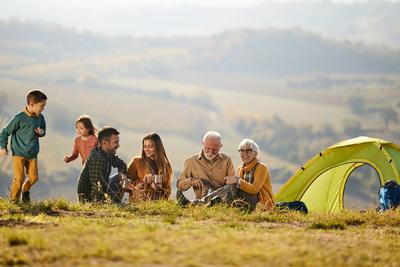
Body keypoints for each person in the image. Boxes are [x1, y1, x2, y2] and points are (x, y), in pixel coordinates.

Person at [189, 138, 275, 211]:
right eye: (242, 151)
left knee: (232, 186)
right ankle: (203, 204)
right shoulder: (240, 168)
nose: (244, 154)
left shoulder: (261, 167)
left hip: (261, 203)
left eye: (248, 151)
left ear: (255, 153)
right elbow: (241, 188)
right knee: (228, 188)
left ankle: (202, 203)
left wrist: (237, 181)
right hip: (246, 200)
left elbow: (254, 189)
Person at [0, 90, 47, 203]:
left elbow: (43, 130)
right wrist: (3, 147)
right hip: (19, 154)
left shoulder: (40, 117)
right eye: (41, 106)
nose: (43, 108)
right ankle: (14, 201)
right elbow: (4, 132)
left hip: (32, 154)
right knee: (19, 179)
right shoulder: (18, 118)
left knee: (34, 178)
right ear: (32, 104)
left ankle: (25, 191)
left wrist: (41, 132)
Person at [176, 131, 235, 203]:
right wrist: (190, 181)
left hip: (220, 200)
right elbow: (179, 185)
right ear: (202, 143)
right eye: (207, 148)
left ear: (220, 146)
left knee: (231, 187)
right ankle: (203, 202)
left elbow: (231, 185)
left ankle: (197, 203)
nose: (210, 152)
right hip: (202, 196)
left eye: (214, 150)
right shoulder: (191, 161)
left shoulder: (227, 160)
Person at [77, 127, 127, 203]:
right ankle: (114, 205)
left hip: (101, 190)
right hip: (89, 200)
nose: (118, 145)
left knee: (119, 178)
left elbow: (121, 164)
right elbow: (96, 189)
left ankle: (115, 203)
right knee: (116, 180)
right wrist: (101, 205)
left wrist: (122, 175)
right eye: (115, 142)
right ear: (105, 143)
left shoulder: (106, 152)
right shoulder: (98, 160)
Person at [126, 132, 173, 201]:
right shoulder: (136, 162)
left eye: (150, 147)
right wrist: (143, 183)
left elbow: (168, 191)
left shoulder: (165, 166)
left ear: (157, 147)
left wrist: (160, 189)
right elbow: (125, 185)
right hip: (138, 202)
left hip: (158, 204)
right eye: (144, 146)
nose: (146, 150)